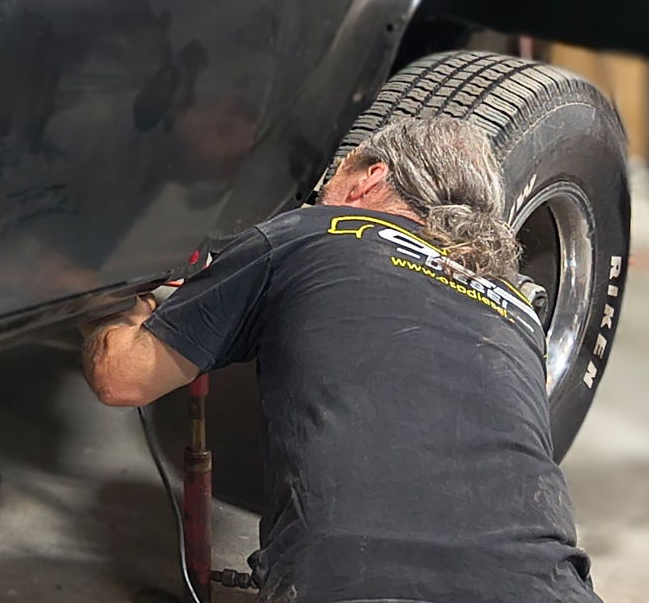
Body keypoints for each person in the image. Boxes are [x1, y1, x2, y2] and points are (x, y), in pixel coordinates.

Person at [82, 117, 599, 603]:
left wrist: (113, 317)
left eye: (333, 177)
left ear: (369, 177)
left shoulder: (314, 230)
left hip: (360, 582)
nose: (320, 193)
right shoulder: (518, 310)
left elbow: (121, 380)